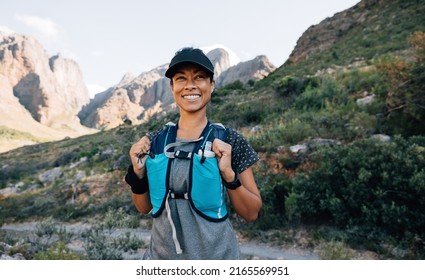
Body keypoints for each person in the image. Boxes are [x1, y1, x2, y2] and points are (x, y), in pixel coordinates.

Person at [125, 47, 262, 259]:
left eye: (199, 77)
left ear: (212, 85)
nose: (190, 85)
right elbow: (144, 207)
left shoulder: (231, 140)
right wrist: (137, 173)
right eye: (181, 78)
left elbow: (251, 213)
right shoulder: (154, 141)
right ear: (172, 87)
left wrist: (229, 175)